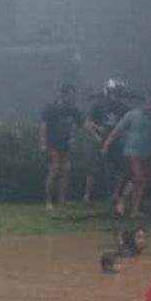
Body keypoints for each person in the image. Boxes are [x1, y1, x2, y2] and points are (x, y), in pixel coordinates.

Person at [39, 84, 97, 212]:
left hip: (65, 145)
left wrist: (95, 135)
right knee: (54, 170)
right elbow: (43, 125)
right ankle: (48, 201)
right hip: (52, 144)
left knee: (66, 170)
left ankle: (61, 199)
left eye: (73, 95)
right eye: (71, 95)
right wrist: (43, 142)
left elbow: (83, 124)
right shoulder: (51, 107)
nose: (73, 98)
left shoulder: (72, 110)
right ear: (64, 95)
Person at [103, 93, 151, 219]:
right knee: (137, 178)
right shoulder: (132, 115)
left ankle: (134, 210)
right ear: (144, 103)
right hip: (132, 152)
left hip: (146, 153)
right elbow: (117, 130)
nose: (150, 106)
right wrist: (106, 145)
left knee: (141, 182)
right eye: (148, 103)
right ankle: (121, 202)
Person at [82, 78, 130, 204]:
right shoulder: (98, 106)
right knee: (93, 169)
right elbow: (87, 123)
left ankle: (115, 194)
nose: (114, 93)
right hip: (100, 140)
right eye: (112, 91)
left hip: (116, 141)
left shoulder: (123, 107)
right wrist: (97, 131)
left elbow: (127, 123)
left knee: (119, 168)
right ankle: (87, 195)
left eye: (116, 91)